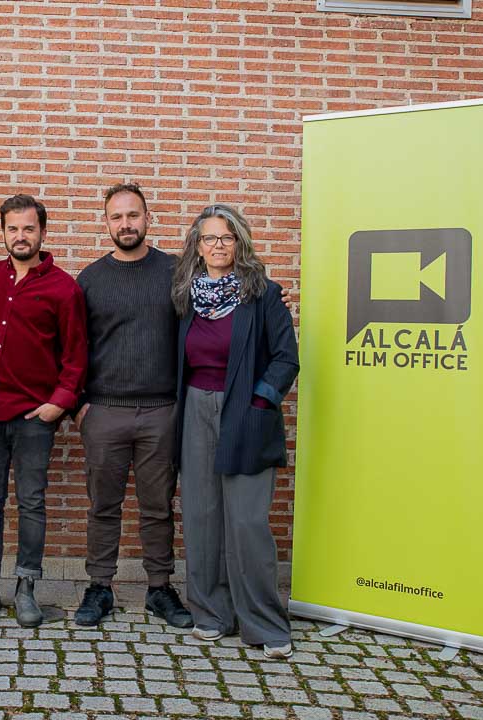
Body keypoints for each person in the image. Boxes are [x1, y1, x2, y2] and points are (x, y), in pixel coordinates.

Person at [173, 203, 299, 659]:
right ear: (197, 246)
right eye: (209, 238)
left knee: (246, 522)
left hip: (245, 410)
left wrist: (259, 401)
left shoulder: (262, 294)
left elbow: (286, 358)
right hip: (196, 409)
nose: (218, 245)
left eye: (226, 237)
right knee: (201, 516)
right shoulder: (185, 296)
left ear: (239, 242)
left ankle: (264, 623)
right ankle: (212, 614)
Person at [72, 183, 192, 629]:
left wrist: (271, 295)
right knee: (103, 506)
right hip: (104, 411)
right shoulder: (90, 279)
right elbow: (73, 346)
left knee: (158, 507)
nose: (126, 224)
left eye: (133, 215)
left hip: (161, 411)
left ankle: (159, 588)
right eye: (117, 217)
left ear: (148, 218)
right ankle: (99, 587)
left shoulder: (176, 272)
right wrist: (79, 405)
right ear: (106, 223)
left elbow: (216, 310)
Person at [0, 194, 87, 628]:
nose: (20, 236)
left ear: (42, 233)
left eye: (28, 229)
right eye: (13, 228)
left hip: (34, 417)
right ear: (3, 232)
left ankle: (27, 588)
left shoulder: (64, 288)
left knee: (32, 502)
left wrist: (59, 403)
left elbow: (76, 356)